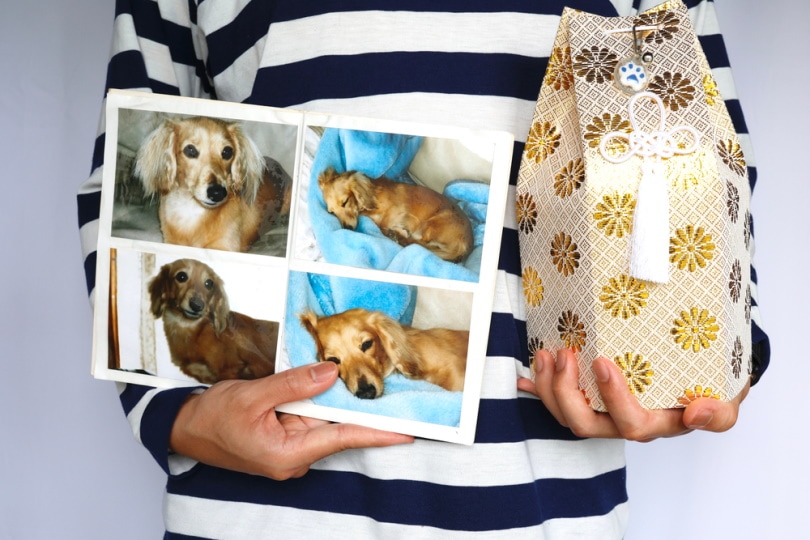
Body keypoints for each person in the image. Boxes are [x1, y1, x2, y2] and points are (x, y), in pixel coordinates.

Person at [77, 1, 770, 537]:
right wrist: (177, 417)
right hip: (264, 516)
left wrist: (700, 374)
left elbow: (716, 181)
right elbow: (116, 181)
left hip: (542, 512)